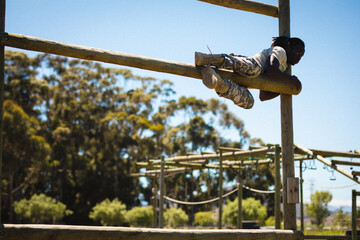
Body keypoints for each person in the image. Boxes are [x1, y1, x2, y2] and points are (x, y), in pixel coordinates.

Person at [195, 37, 305, 109]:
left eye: (301, 55)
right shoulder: (280, 51)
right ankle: (208, 59)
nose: (299, 57)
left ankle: (218, 82)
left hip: (245, 78)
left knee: (249, 102)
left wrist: (283, 88)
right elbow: (269, 68)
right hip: (247, 66)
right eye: (297, 52)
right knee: (255, 70)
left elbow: (263, 96)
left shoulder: (282, 69)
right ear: (288, 46)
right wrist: (290, 79)